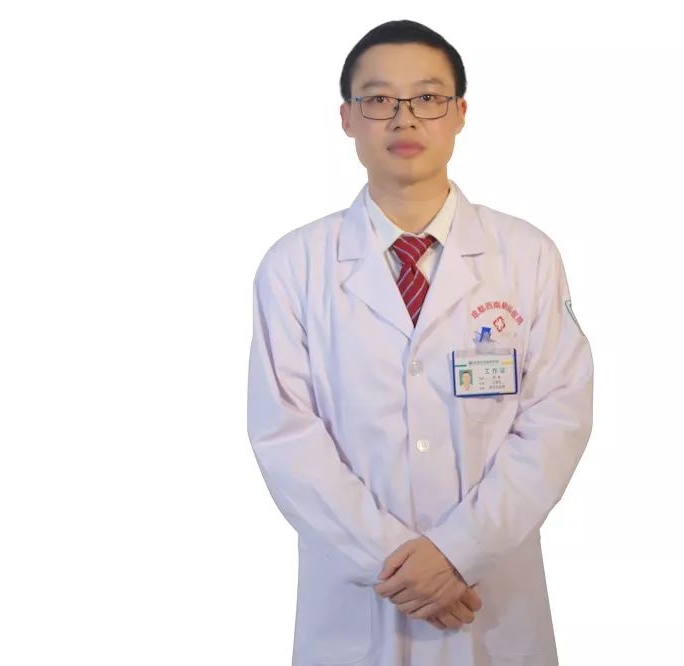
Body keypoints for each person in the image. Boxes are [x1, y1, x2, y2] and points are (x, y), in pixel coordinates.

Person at [246, 19, 594, 666]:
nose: (404, 118)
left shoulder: (526, 256)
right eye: (379, 99)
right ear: (347, 118)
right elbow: (286, 435)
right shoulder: (295, 265)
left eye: (428, 98)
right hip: (357, 603)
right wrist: (395, 562)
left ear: (460, 113)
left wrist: (460, 552)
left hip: (491, 598)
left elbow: (558, 418)